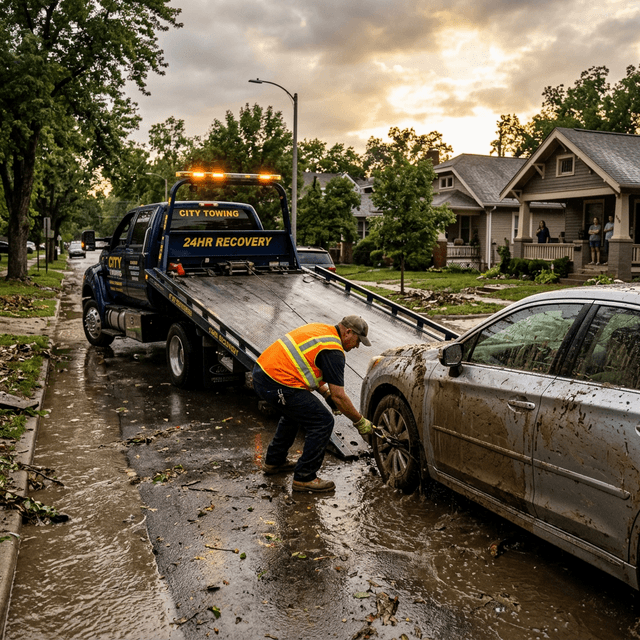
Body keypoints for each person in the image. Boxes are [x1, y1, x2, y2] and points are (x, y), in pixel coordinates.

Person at [252, 316, 374, 493]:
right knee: (322, 421)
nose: (357, 346)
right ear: (348, 332)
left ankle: (274, 461)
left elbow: (305, 366)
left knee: (295, 413)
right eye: (358, 341)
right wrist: (359, 421)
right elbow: (339, 396)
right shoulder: (333, 350)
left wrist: (325, 394)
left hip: (264, 373)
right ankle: (305, 477)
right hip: (276, 382)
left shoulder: (322, 331)